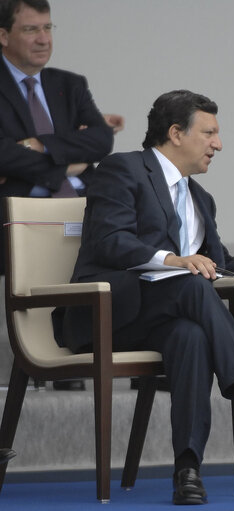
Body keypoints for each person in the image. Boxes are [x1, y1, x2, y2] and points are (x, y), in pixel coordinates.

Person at [54, 90, 234, 505]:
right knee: (190, 283)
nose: (217, 144)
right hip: (106, 315)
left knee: (190, 336)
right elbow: (109, 240)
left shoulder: (201, 199)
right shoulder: (123, 169)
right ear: (175, 133)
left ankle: (187, 469)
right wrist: (173, 259)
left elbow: (222, 265)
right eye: (209, 133)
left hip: (165, 318)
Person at [0, 0, 124, 391]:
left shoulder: (68, 83)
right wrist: (71, 160)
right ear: (3, 36)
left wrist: (39, 145)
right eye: (30, 30)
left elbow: (101, 140)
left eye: (48, 28)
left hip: (84, 205)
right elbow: (2, 153)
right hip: (21, 212)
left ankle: (124, 355)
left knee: (129, 233)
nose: (43, 39)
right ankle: (60, 361)